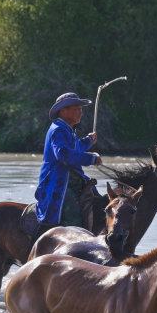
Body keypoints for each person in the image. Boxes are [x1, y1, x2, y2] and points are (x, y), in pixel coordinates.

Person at [34, 92, 103, 232]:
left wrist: (88, 141)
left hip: (71, 179)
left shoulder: (66, 129)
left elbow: (75, 147)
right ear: (63, 111)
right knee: (74, 219)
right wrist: (92, 159)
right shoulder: (58, 130)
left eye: (81, 109)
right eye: (76, 109)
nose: (80, 113)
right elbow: (64, 154)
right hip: (58, 181)